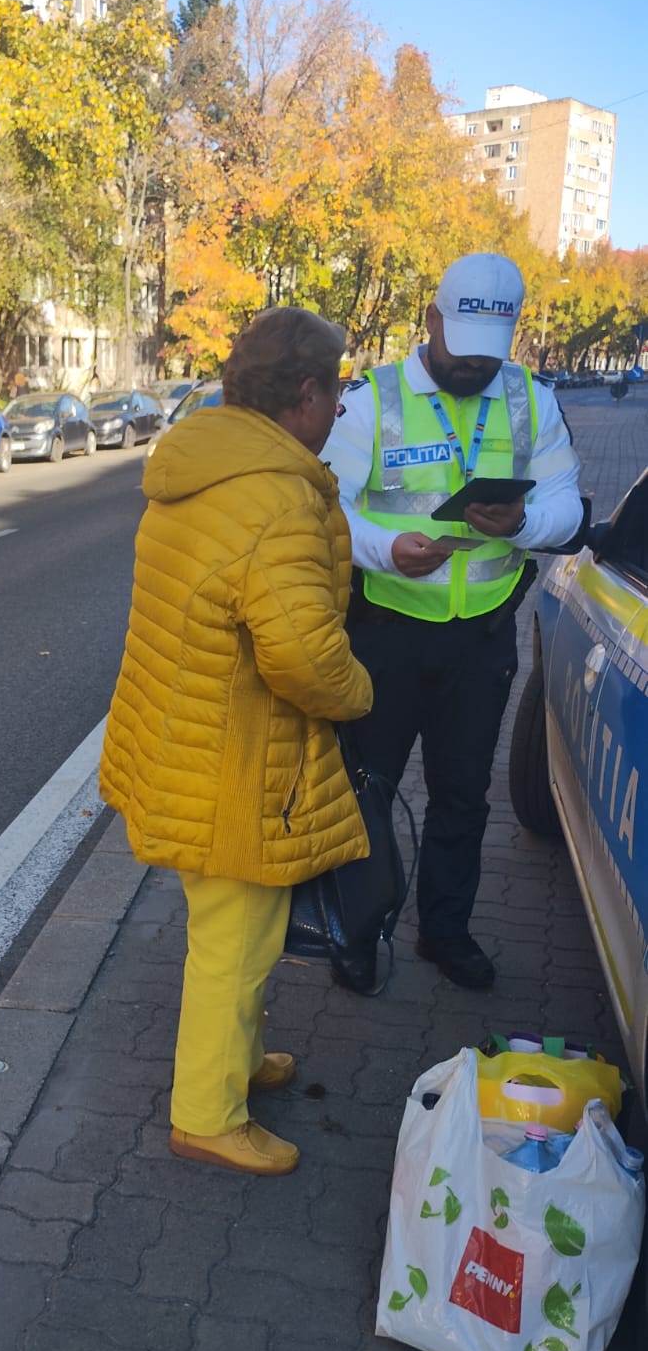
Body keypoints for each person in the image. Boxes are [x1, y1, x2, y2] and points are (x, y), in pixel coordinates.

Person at [99, 308, 373, 1177]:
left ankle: (236, 1060)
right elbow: (303, 656)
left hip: (184, 737)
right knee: (238, 944)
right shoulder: (277, 499)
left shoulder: (199, 467)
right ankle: (208, 1115)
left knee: (232, 931)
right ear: (306, 393)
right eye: (338, 390)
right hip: (238, 764)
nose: (341, 407)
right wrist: (361, 692)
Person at [324, 253, 583, 993]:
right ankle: (357, 934)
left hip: (481, 637)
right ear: (433, 319)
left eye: (488, 353)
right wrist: (384, 550)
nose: (473, 365)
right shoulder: (370, 400)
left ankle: (445, 932)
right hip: (386, 628)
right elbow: (323, 505)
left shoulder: (532, 399)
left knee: (463, 795)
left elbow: (567, 507)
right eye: (461, 346)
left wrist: (524, 523)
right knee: (368, 790)